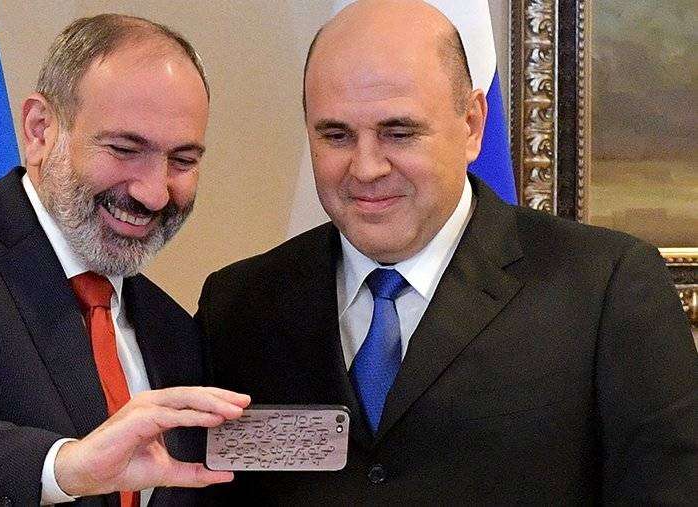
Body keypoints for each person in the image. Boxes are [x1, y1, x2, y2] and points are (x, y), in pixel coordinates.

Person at [196, 0, 698, 504]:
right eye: (336, 135)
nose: (366, 168)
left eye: (398, 133)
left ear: (472, 125)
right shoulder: (239, 305)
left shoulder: (605, 289)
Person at [0, 14, 250, 506]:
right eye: (124, 149)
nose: (155, 193)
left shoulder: (174, 331)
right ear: (40, 131)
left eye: (182, 160)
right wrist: (65, 467)